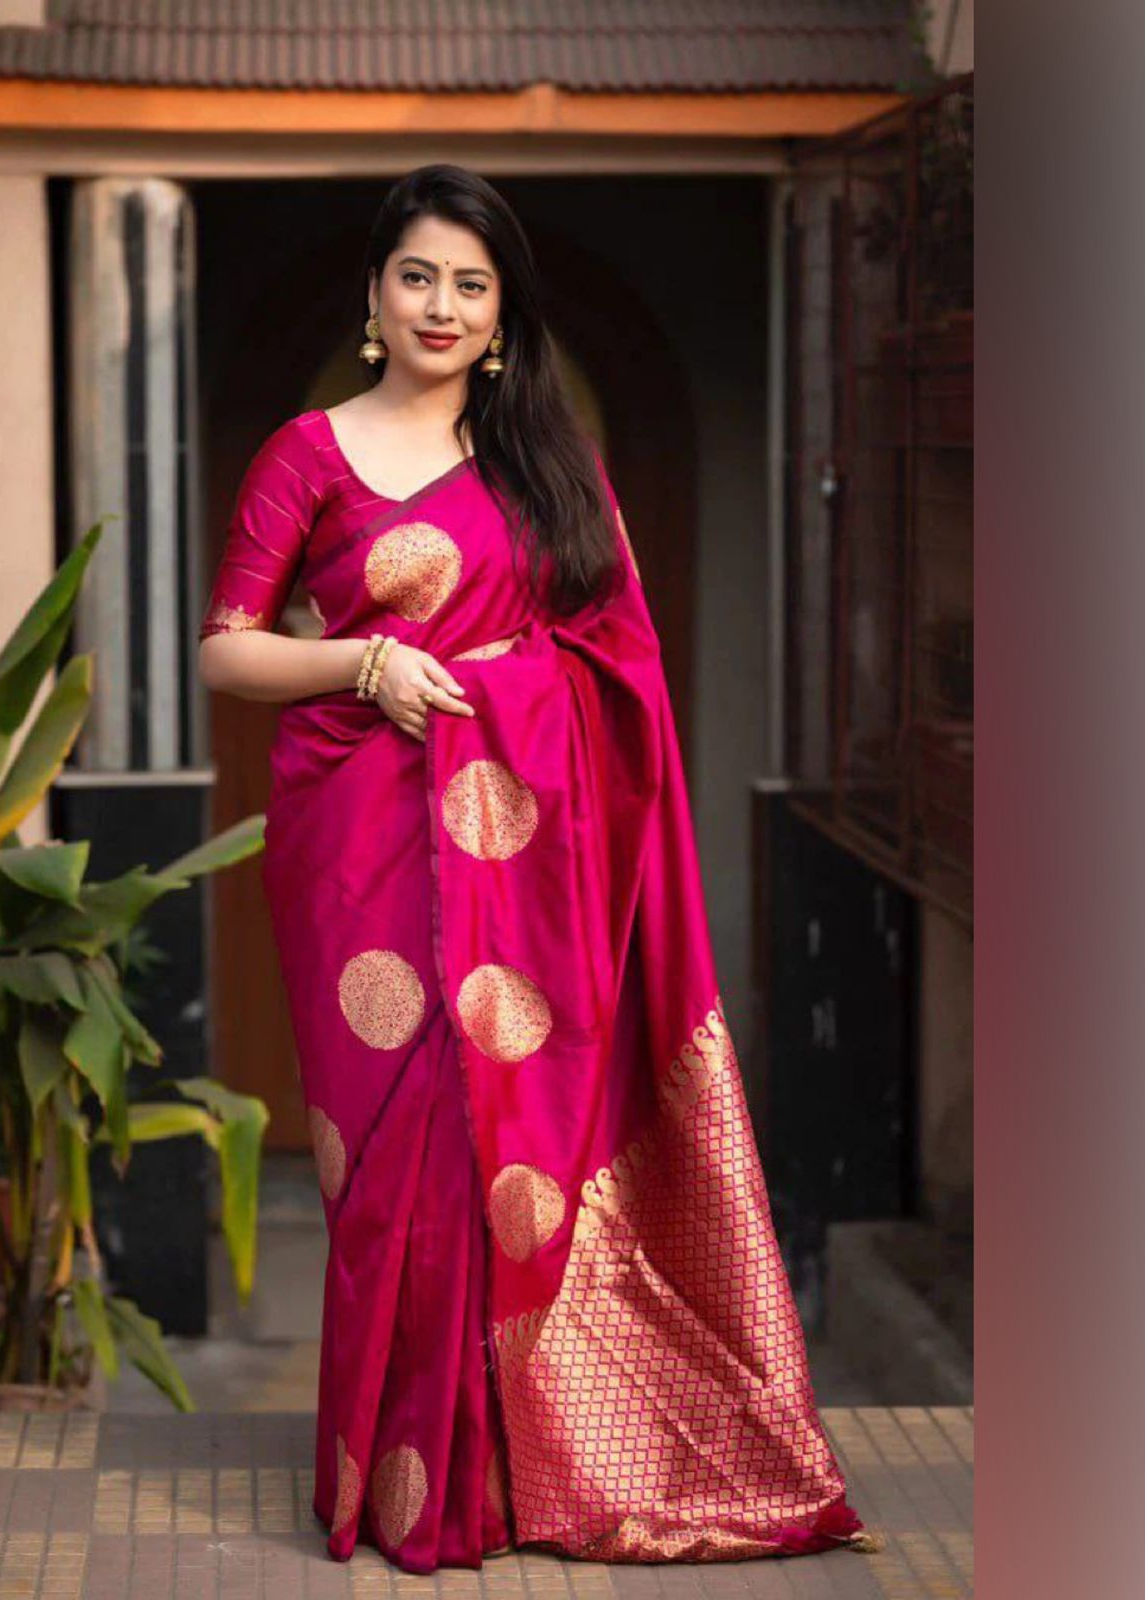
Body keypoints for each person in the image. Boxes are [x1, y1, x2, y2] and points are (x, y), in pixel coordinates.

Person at [196, 164, 876, 1575]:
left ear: (500, 317)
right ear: (374, 297)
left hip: (524, 853)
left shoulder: (545, 465)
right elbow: (229, 646)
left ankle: (506, 1475)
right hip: (358, 852)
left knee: (501, 1145)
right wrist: (364, 661)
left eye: (471, 283)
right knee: (394, 1164)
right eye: (417, 276)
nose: (441, 305)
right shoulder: (305, 456)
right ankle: (398, 1482)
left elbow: (614, 661)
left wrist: (501, 695)